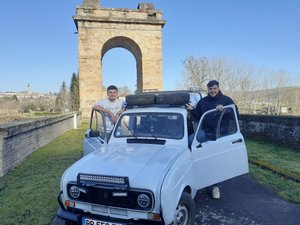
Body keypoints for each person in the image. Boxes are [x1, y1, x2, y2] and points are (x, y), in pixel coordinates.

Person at [186, 80, 238, 199]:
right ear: (208, 89)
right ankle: (192, 173)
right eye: (210, 89)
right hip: (206, 132)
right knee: (189, 142)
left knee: (217, 160)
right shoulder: (203, 101)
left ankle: (216, 187)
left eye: (214, 88)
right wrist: (191, 109)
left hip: (221, 134)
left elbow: (235, 114)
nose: (213, 91)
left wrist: (225, 108)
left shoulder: (226, 100)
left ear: (218, 88)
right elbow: (198, 114)